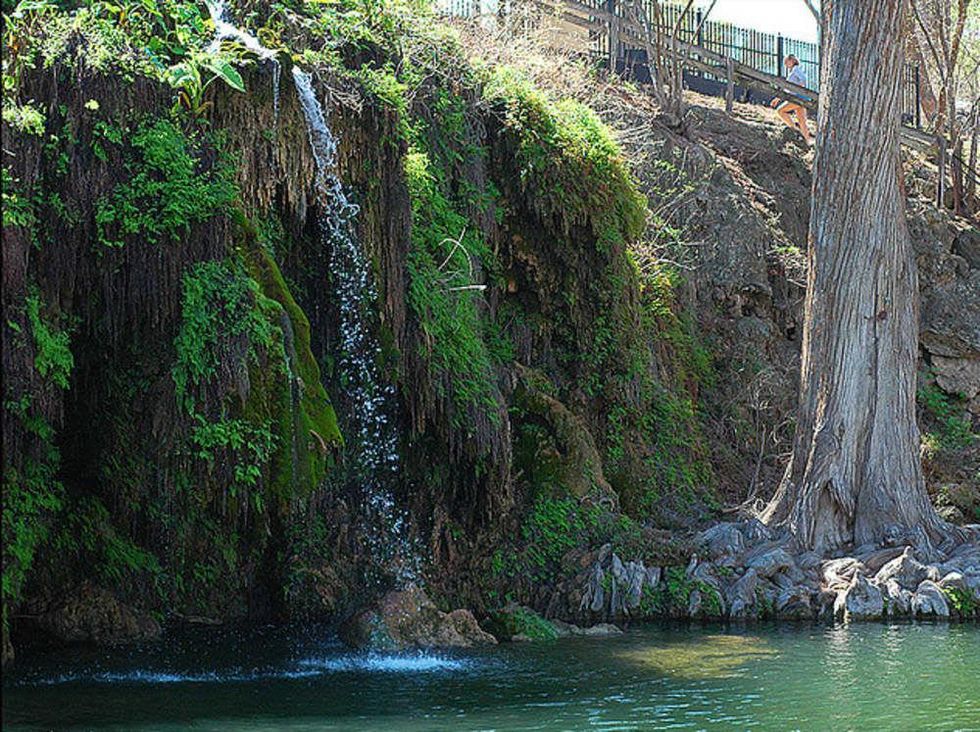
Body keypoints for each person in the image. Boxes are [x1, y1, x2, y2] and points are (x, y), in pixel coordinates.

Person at [770, 55, 812, 144]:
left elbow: (803, 79)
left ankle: (795, 130)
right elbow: (788, 89)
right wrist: (777, 99)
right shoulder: (794, 71)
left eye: (786, 62)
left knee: (780, 111)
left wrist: (800, 88)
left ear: (792, 61)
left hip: (797, 97)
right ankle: (807, 142)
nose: (785, 64)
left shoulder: (796, 69)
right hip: (801, 98)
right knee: (802, 121)